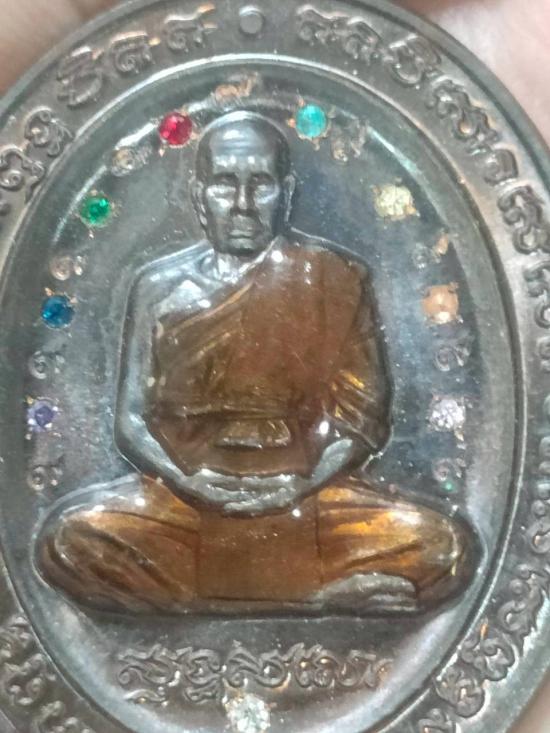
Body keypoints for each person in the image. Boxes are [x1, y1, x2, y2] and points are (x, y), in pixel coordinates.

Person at [37, 110, 474, 614]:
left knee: (447, 550)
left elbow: (360, 421)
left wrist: (295, 487)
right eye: (225, 183)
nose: (242, 204)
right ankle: (310, 600)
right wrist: (188, 481)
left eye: (260, 184)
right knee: (66, 544)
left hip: (306, 498)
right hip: (184, 503)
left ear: (285, 192)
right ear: (199, 195)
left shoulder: (334, 279)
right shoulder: (157, 288)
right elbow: (131, 422)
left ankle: (202, 599)